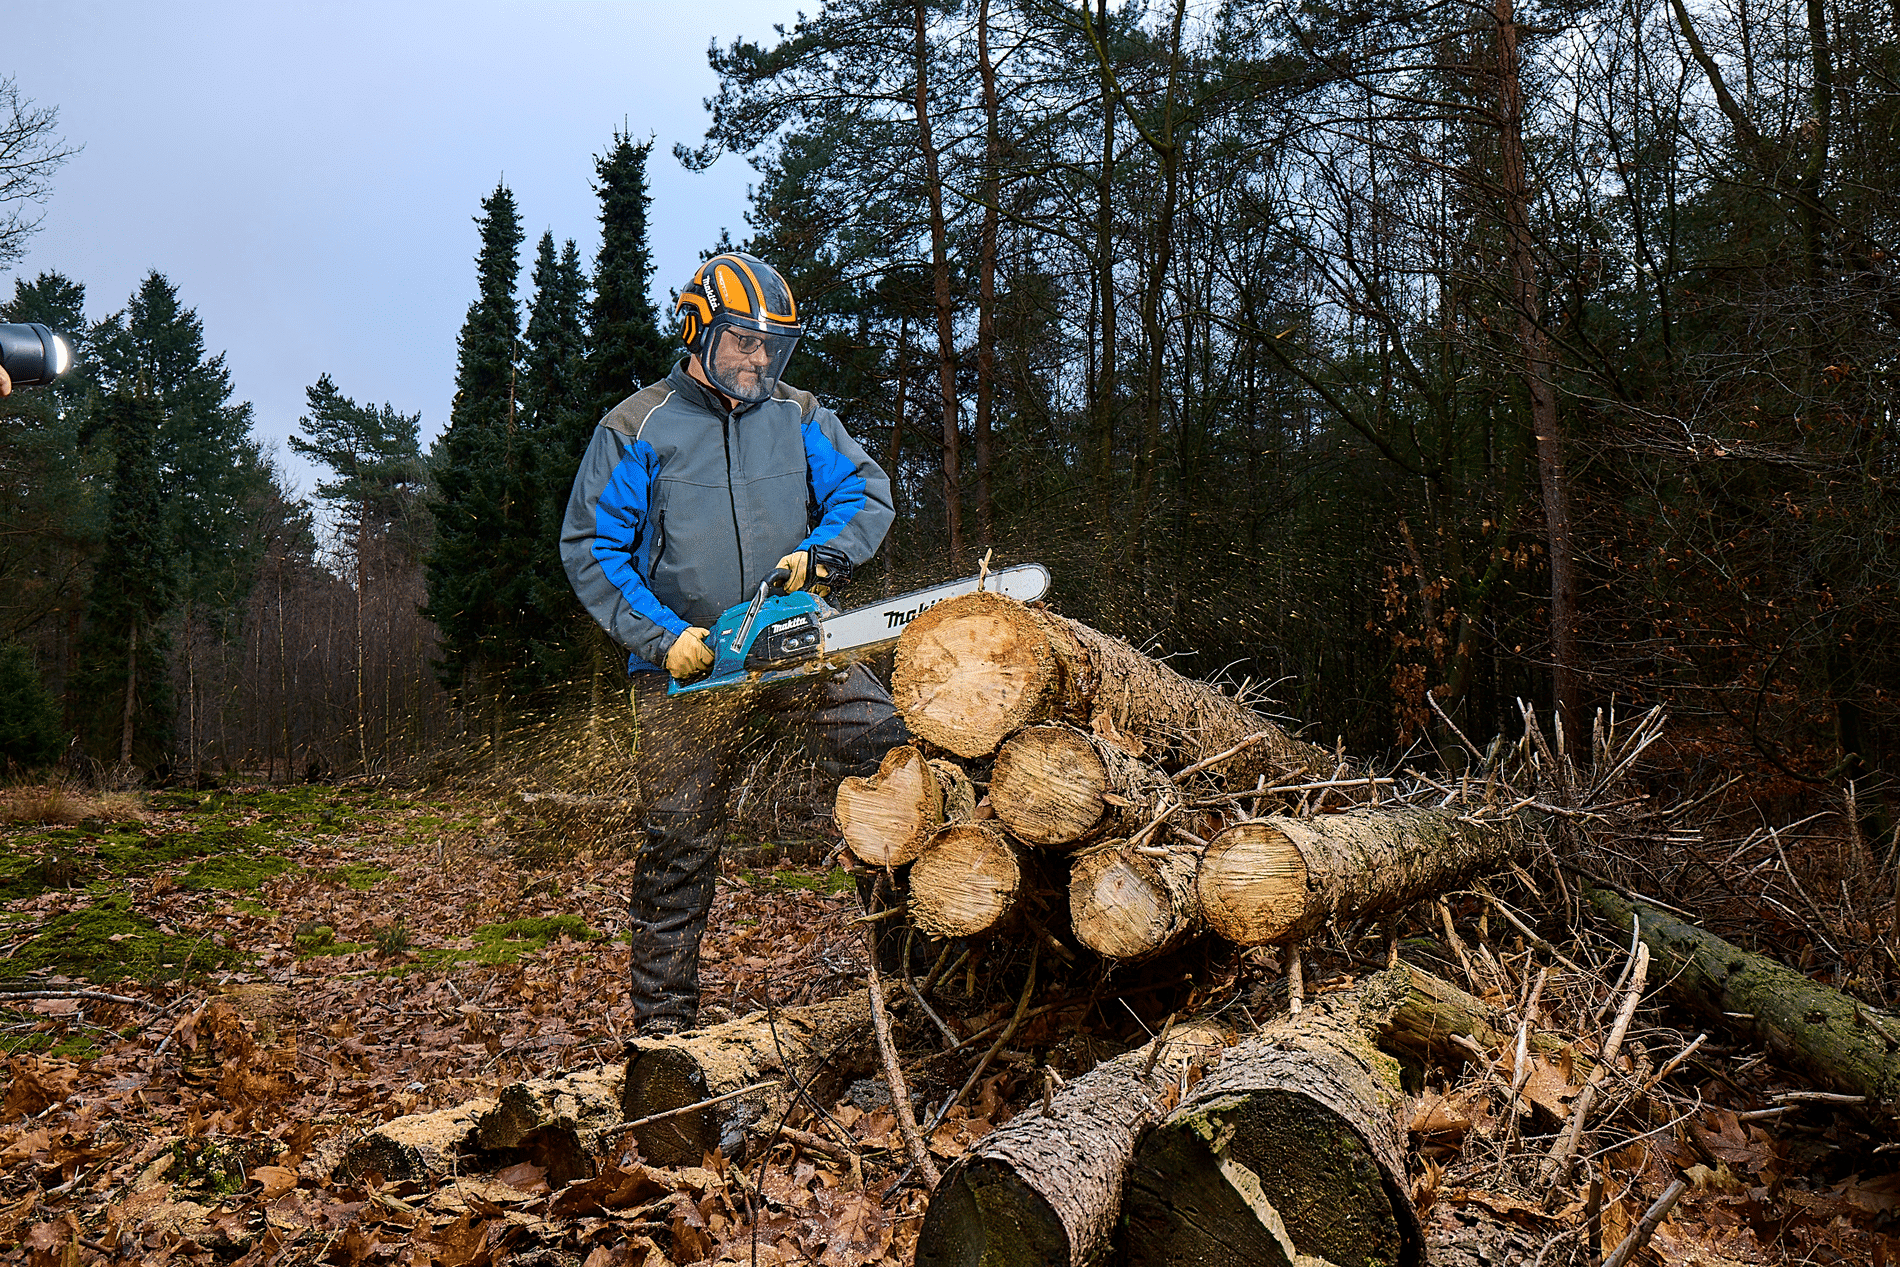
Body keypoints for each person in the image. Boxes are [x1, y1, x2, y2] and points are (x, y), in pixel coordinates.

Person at [562, 251, 906, 1036]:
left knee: (891, 760)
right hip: (685, 667)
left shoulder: (800, 414)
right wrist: (663, 636)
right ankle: (665, 1030)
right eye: (744, 342)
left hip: (792, 640)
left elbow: (866, 490)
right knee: (679, 840)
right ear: (699, 332)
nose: (758, 359)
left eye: (770, 345)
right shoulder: (636, 426)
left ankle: (913, 973)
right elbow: (592, 547)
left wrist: (823, 554)